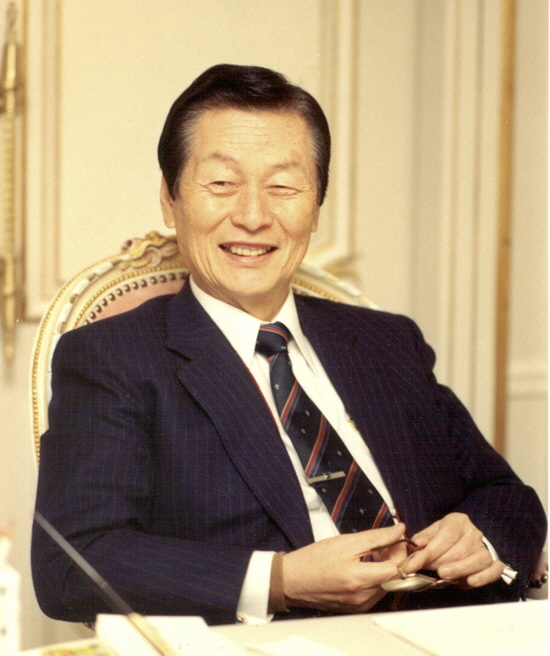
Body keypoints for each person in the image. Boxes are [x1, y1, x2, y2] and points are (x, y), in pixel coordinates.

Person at [32, 64, 546, 626]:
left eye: (282, 187)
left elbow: (505, 493)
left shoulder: (387, 340)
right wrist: (279, 581)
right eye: (221, 183)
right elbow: (72, 562)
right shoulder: (112, 357)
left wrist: (480, 537)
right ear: (170, 199)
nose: (253, 216)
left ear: (317, 205)